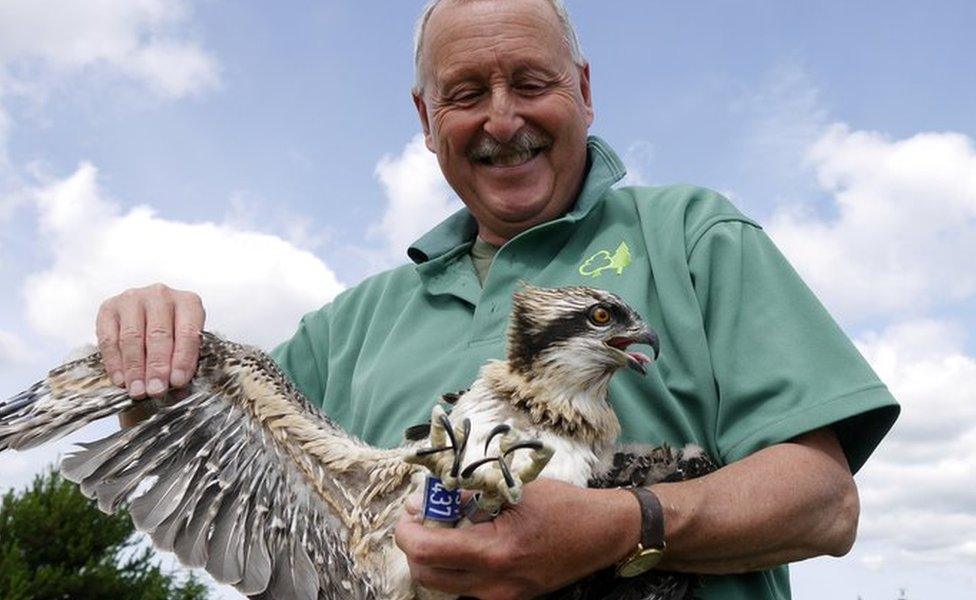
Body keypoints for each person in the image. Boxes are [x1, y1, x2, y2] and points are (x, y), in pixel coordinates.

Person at [95, 0, 899, 598]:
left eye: (531, 81)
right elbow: (202, 460)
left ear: (583, 90)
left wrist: (626, 526)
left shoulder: (692, 237)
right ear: (425, 116)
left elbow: (825, 505)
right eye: (467, 91)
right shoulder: (350, 326)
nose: (502, 118)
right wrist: (156, 348)